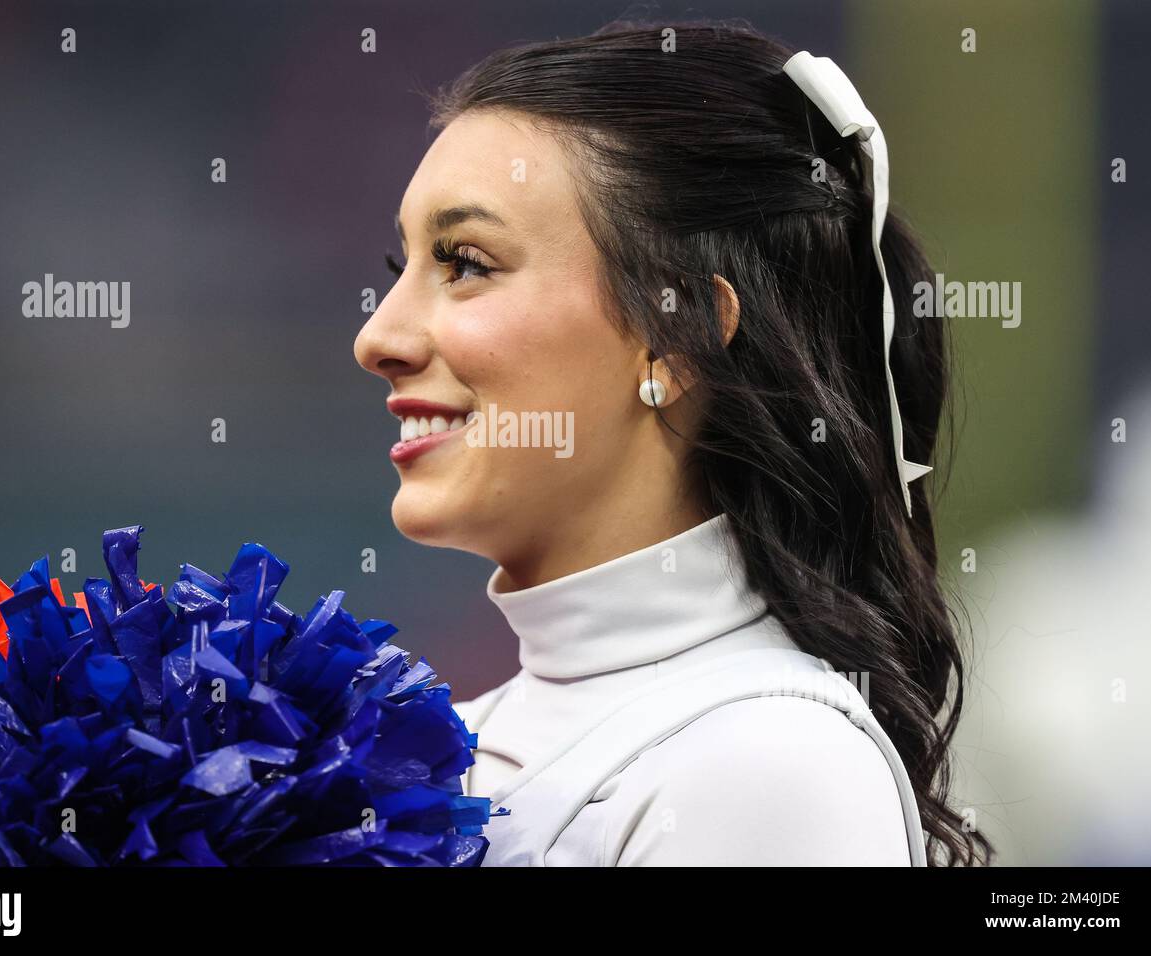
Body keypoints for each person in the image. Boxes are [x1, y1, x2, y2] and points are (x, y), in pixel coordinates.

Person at [354, 19, 991, 866]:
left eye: (465, 262)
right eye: (402, 268)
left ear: (680, 334)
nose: (378, 337)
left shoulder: (770, 767)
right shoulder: (449, 737)